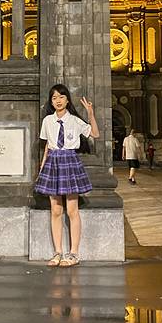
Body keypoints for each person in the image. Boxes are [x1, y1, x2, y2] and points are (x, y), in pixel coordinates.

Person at [36, 84, 100, 267]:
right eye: (54, 98)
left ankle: (74, 253)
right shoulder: (47, 121)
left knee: (72, 210)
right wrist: (42, 168)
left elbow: (95, 134)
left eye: (61, 97)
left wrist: (90, 113)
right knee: (56, 210)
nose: (58, 100)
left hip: (70, 161)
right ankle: (57, 252)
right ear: (51, 101)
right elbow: (47, 146)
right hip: (53, 162)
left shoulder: (75, 120)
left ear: (67, 100)